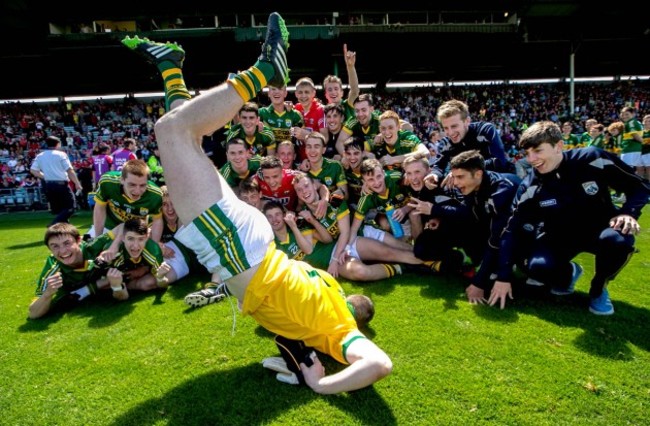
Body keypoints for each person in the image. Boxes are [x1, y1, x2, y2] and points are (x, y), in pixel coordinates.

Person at [122, 12, 391, 393]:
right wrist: (321, 384)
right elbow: (380, 364)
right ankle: (264, 69)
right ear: (357, 320)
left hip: (254, 246)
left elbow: (286, 321)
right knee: (172, 132)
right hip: (240, 252)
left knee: (185, 143)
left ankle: (170, 66)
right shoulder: (340, 327)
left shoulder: (329, 287)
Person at [488, 121, 650, 315]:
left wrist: (628, 213)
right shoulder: (530, 184)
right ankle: (569, 273)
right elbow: (511, 229)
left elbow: (639, 187)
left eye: (538, 151)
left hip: (601, 227)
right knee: (535, 267)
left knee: (619, 241)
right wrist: (503, 276)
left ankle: (599, 289)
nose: (531, 159)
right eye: (527, 153)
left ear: (558, 146)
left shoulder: (592, 158)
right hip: (560, 235)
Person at [29, 223, 116, 319]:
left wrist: (110, 250)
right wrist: (48, 293)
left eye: (67, 243)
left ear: (78, 240)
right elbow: (33, 313)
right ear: (49, 249)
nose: (63, 251)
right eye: (55, 246)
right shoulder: (53, 268)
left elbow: (122, 229)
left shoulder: (93, 246)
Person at [428, 99, 514, 189]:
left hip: (501, 184)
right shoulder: (445, 142)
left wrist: (463, 171)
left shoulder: (485, 130)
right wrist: (434, 175)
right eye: (446, 128)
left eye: (454, 126)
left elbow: (499, 161)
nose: (450, 132)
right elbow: (438, 166)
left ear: (467, 121)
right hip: (471, 190)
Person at [89, 159, 164, 242]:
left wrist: (155, 244)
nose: (137, 191)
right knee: (88, 251)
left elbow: (157, 220)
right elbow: (100, 207)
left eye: (142, 185)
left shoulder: (155, 195)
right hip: (108, 227)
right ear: (122, 180)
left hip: (135, 233)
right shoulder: (108, 182)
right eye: (132, 184)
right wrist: (98, 237)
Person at [30, 135, 83, 226]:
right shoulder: (61, 154)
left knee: (60, 209)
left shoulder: (40, 155)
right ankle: (53, 224)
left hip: (49, 185)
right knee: (71, 207)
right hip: (61, 184)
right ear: (58, 144)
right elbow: (69, 170)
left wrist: (45, 176)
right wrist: (77, 183)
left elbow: (33, 170)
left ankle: (64, 229)